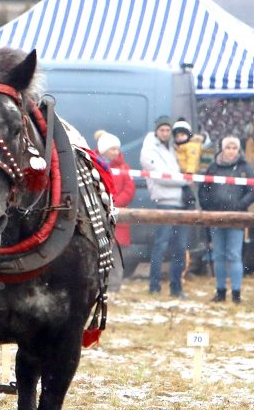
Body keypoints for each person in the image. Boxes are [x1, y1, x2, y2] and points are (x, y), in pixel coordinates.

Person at [198, 136, 254, 303]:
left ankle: (236, 294)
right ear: (222, 149)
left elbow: (252, 190)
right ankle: (220, 291)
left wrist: (240, 204)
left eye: (234, 148)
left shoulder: (245, 167)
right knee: (218, 255)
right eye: (228, 148)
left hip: (236, 218)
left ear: (238, 150)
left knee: (234, 255)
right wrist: (208, 206)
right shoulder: (213, 167)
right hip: (216, 217)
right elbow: (203, 189)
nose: (231, 151)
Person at [140, 115, 190, 297]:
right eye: (162, 130)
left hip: (180, 204)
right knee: (160, 246)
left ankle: (176, 287)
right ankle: (154, 286)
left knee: (180, 248)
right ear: (156, 131)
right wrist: (185, 181)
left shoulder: (171, 149)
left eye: (168, 130)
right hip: (164, 203)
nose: (166, 133)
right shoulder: (149, 150)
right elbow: (161, 177)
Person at [97, 132, 135, 249]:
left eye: (117, 149)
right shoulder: (93, 164)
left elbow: (130, 189)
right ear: (104, 150)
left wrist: (115, 203)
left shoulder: (124, 167)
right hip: (100, 211)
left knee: (118, 250)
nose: (116, 152)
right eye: (112, 149)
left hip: (118, 213)